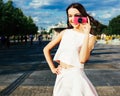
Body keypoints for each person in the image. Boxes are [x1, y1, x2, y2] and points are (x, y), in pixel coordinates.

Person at [43, 2, 98, 96]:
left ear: (83, 17)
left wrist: (86, 33)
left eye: (76, 15)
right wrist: (52, 68)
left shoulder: (90, 37)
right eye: (70, 16)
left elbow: (82, 59)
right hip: (61, 76)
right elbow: (46, 49)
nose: (72, 19)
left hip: (77, 78)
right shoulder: (65, 32)